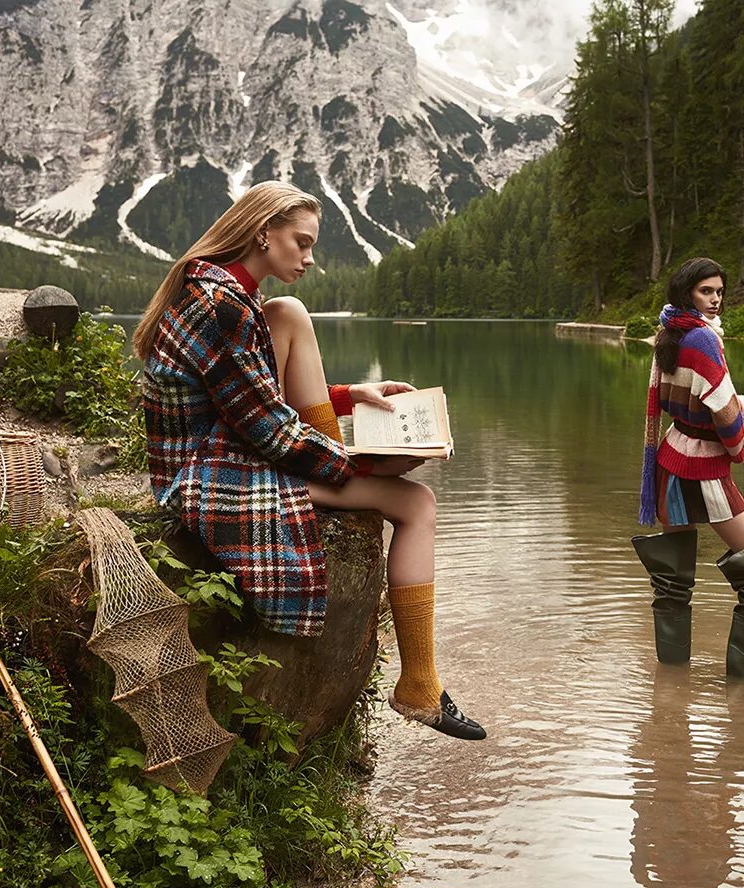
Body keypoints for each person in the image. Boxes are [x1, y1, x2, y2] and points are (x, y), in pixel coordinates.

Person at [133, 180, 484, 740]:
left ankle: (335, 473)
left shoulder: (224, 292)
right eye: (301, 242)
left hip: (228, 447)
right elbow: (267, 430)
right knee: (417, 503)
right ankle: (419, 685)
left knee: (290, 311)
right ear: (262, 233)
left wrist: (351, 398)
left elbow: (248, 392)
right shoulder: (219, 305)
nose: (310, 258)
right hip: (207, 473)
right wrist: (358, 464)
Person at [632, 257, 744, 677]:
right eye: (707, 291)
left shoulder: (669, 332)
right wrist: (738, 447)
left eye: (720, 291)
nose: (716, 299)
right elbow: (720, 409)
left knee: (673, 576)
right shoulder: (703, 339)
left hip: (671, 459)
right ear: (688, 293)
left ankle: (672, 680)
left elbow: (703, 399)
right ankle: (743, 692)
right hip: (703, 469)